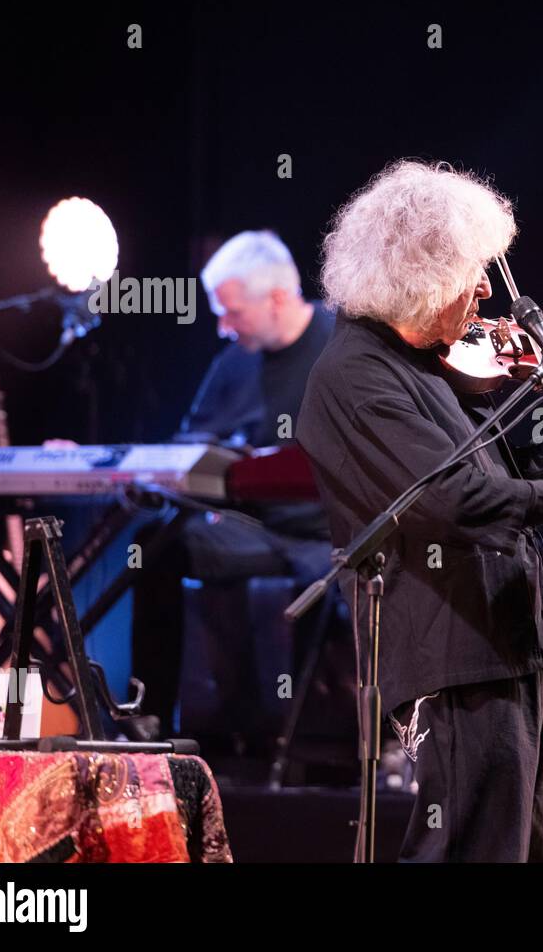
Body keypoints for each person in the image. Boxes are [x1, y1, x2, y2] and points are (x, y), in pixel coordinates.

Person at [297, 160, 543, 861]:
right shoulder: (356, 376)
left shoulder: (427, 366)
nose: (487, 291)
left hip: (503, 645)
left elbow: (503, 472)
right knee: (466, 851)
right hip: (450, 655)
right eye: (469, 272)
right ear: (417, 279)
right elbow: (453, 502)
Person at [130, 230, 335, 738]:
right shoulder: (235, 362)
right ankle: (148, 717)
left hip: (334, 537)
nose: (223, 327)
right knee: (154, 545)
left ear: (279, 298)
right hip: (257, 531)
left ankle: (320, 740)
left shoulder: (342, 349)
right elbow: (190, 447)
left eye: (233, 312)